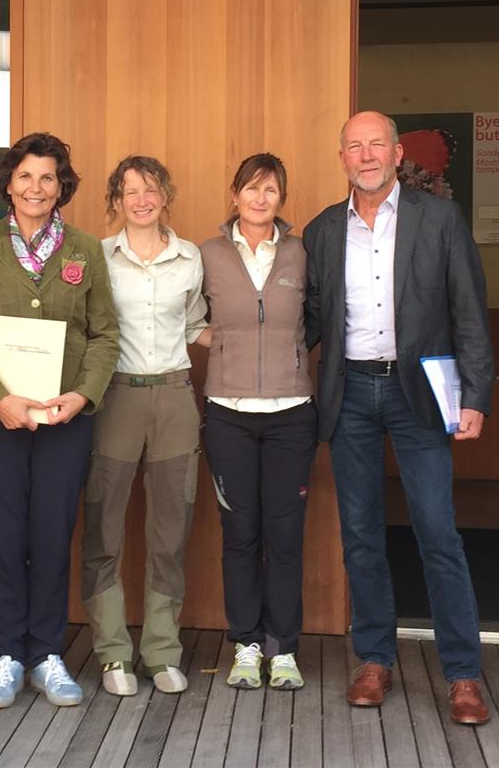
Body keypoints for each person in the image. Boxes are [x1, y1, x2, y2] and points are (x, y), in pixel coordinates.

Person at [304, 111, 493, 724]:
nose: (366, 155)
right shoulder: (322, 230)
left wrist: (475, 395)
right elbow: (307, 320)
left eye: (376, 144)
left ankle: (463, 673)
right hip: (350, 392)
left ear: (396, 153)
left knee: (438, 531)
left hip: (420, 393)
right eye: (354, 146)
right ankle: (374, 659)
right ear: (342, 158)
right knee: (361, 535)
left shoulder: (439, 219)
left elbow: (469, 310)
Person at [0, 132, 119, 709]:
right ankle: (8, 654)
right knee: (3, 532)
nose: (36, 188)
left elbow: (104, 334)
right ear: (8, 184)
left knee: (51, 532)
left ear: (61, 186)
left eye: (47, 177)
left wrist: (83, 395)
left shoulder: (85, 249)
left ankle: (46, 652)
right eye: (25, 176)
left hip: (65, 418)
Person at [82, 156, 206, 697]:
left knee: (170, 532)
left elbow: (197, 326)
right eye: (129, 191)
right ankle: (112, 652)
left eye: (150, 189)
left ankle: (161, 651)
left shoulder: (191, 258)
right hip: (115, 397)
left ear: (165, 196)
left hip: (176, 397)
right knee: (103, 526)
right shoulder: (96, 257)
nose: (141, 200)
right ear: (116, 200)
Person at [198, 153, 317, 691]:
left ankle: (283, 648)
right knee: (240, 534)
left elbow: (318, 316)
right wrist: (225, 347)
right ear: (235, 193)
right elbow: (187, 318)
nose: (260, 198)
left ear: (281, 198)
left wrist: (290, 357)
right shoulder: (207, 254)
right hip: (229, 415)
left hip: (292, 414)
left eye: (270, 189)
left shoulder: (300, 252)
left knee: (285, 536)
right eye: (251, 188)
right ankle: (246, 644)